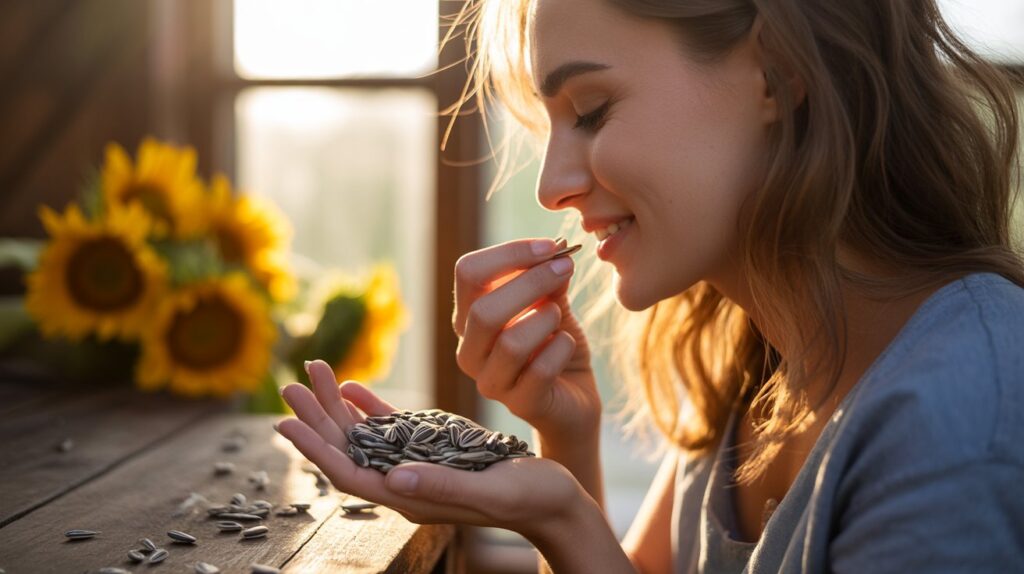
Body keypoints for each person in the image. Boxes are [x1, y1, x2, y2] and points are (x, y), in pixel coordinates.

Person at [275, 0, 1024, 571]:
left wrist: (566, 518)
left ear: (780, 72)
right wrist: (565, 440)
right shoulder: (753, 362)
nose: (551, 186)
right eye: (550, 127)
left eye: (592, 111)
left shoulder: (960, 413)